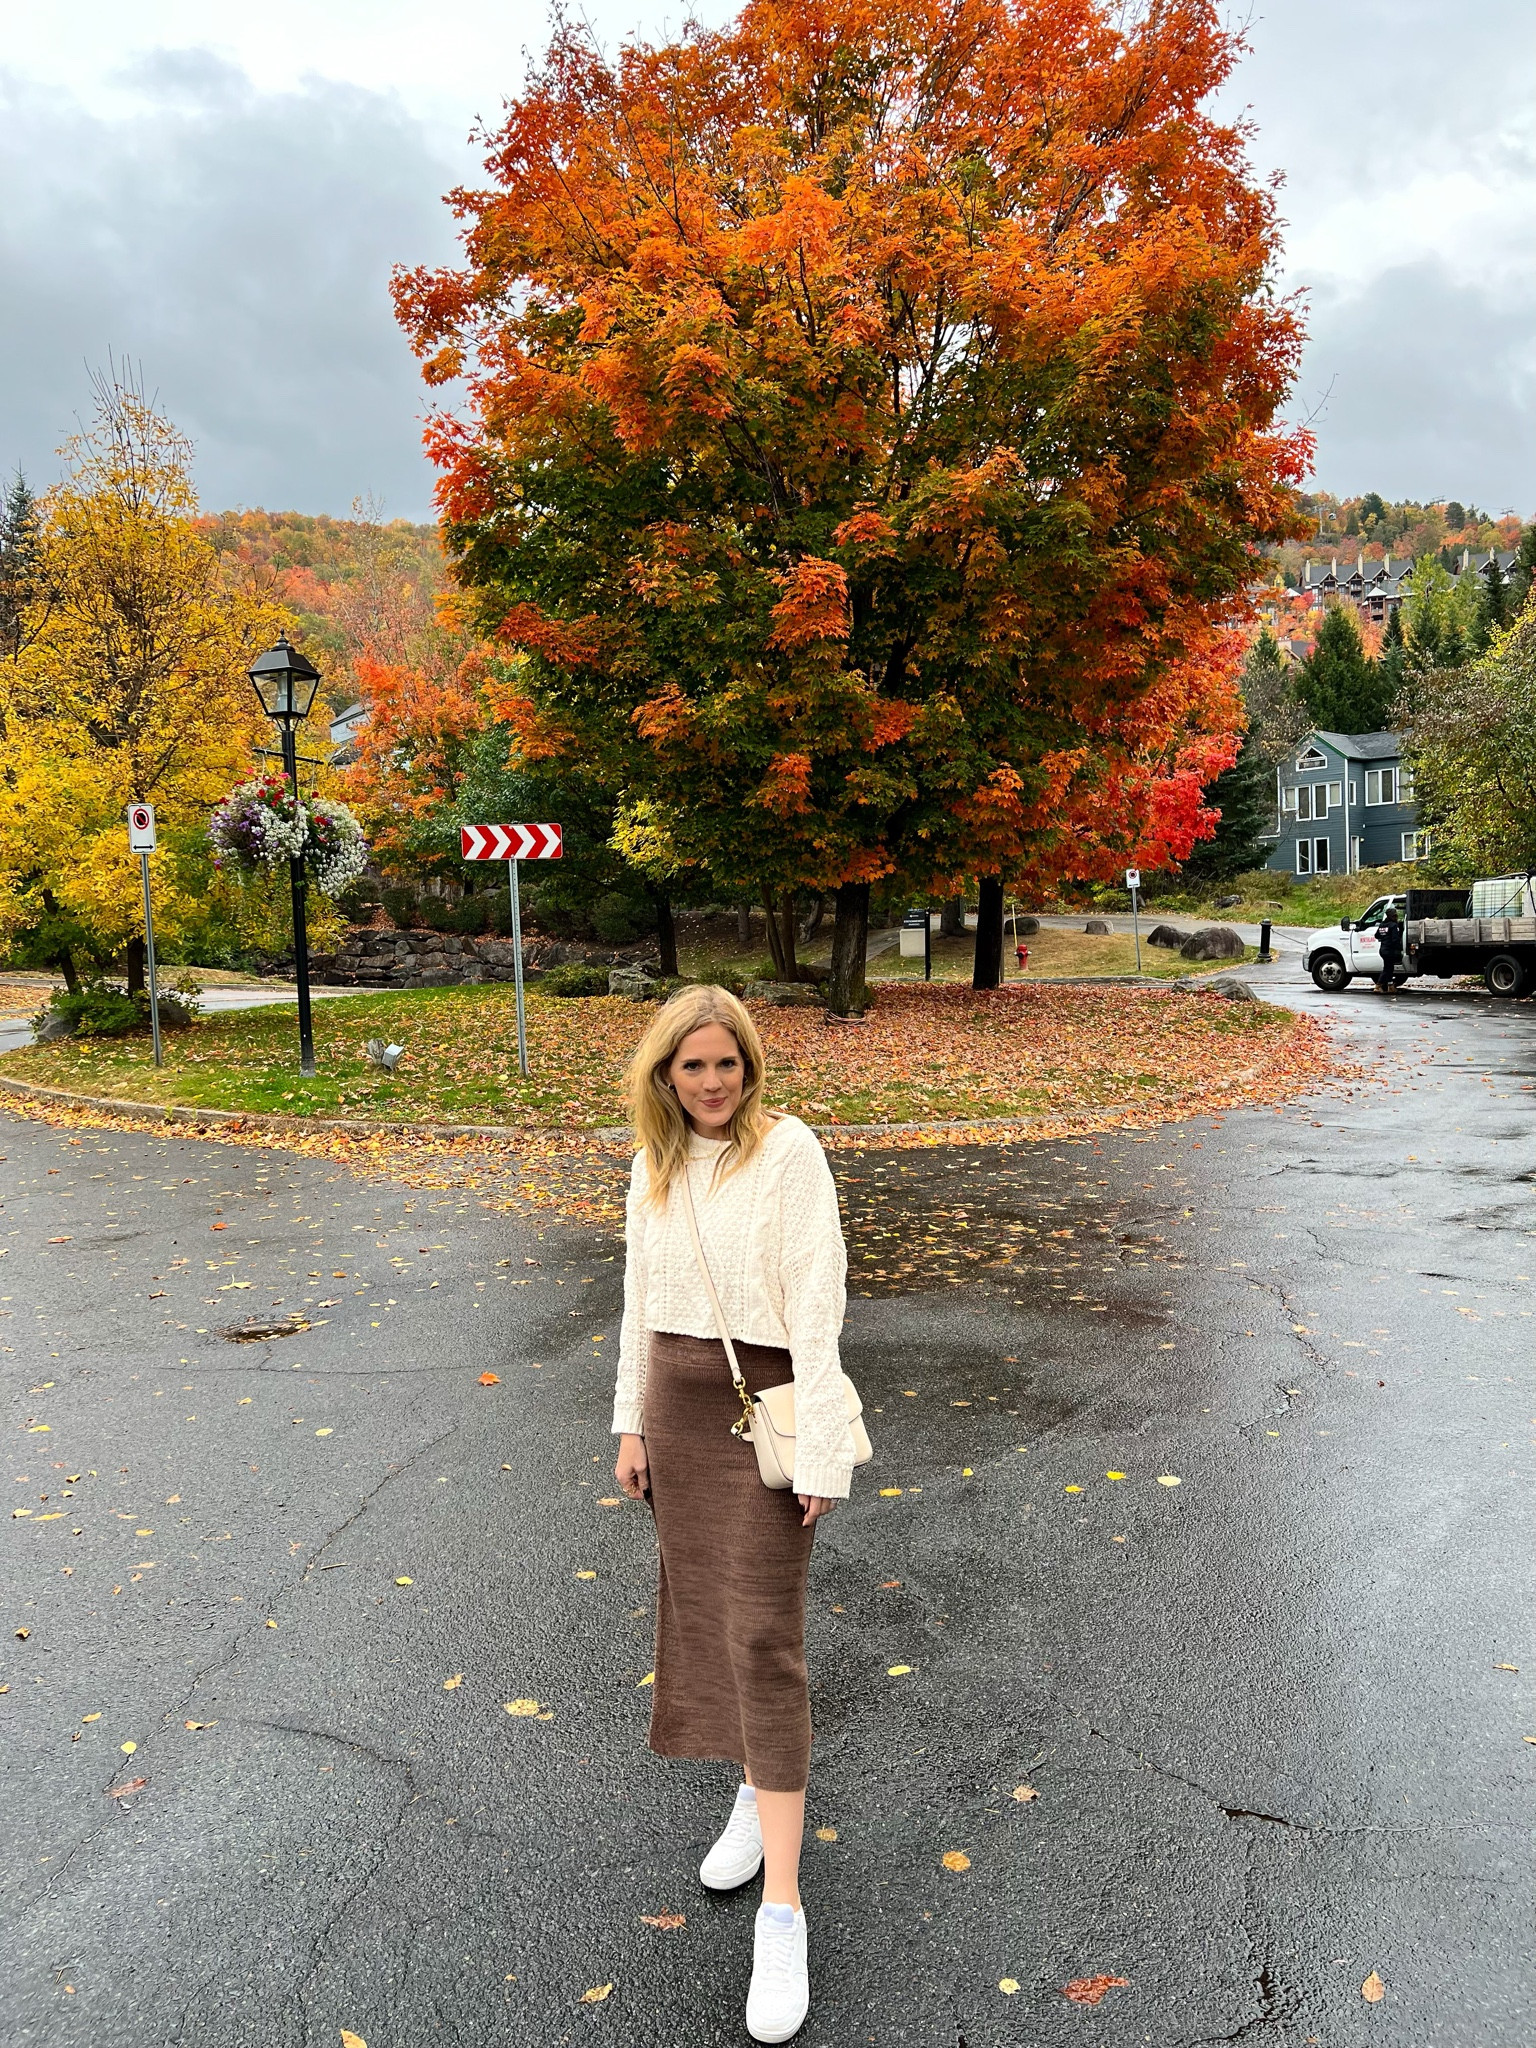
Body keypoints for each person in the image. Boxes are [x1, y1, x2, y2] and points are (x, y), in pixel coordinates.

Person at [613, 984, 855, 2044]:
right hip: (675, 1399)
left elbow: (819, 1291)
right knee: (706, 1617)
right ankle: (752, 1794)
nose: (712, 1082)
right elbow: (633, 1294)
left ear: (752, 1065)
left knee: (764, 1640)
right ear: (666, 1073)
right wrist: (629, 1422)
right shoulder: (654, 1161)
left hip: (772, 1405)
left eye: (728, 1063)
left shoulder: (790, 1149)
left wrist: (828, 1444)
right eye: (692, 1066)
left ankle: (784, 1911)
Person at [1375, 905, 1405, 994]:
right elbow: (1395, 939)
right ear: (1390, 916)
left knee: (1389, 968)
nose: (1396, 917)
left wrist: (1384, 937)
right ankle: (1378, 986)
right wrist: (1400, 948)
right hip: (1389, 950)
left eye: (1396, 915)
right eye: (1394, 916)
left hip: (1383, 950)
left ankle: (1390, 986)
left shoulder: (1382, 925)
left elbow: (1377, 935)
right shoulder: (1393, 925)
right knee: (1387, 969)